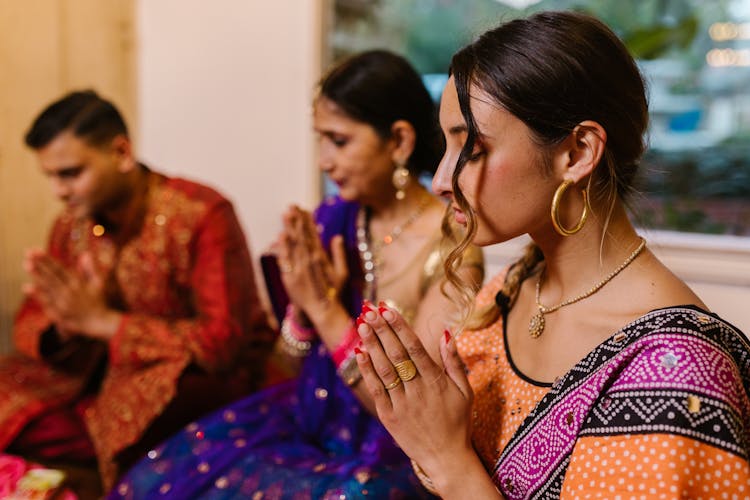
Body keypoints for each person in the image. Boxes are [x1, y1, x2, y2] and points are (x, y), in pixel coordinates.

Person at [353, 11, 750, 499]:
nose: (439, 181)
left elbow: (451, 466)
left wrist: (449, 461)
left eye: (471, 149)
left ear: (578, 152)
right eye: (445, 146)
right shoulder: (511, 291)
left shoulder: (673, 373)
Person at [110, 50, 484, 499]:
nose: (325, 160)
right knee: (157, 481)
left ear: (399, 141)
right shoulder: (331, 222)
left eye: (339, 141)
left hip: (391, 453)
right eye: (320, 140)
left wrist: (325, 309)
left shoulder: (452, 250)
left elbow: (413, 409)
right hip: (307, 421)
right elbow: (288, 363)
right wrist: (302, 315)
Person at [0, 90, 275, 492]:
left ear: (121, 152)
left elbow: (223, 343)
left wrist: (104, 322)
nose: (59, 191)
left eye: (71, 173)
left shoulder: (201, 215)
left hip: (188, 379)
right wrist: (65, 324)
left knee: (144, 405)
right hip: (98, 375)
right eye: (51, 177)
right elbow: (33, 321)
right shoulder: (72, 224)